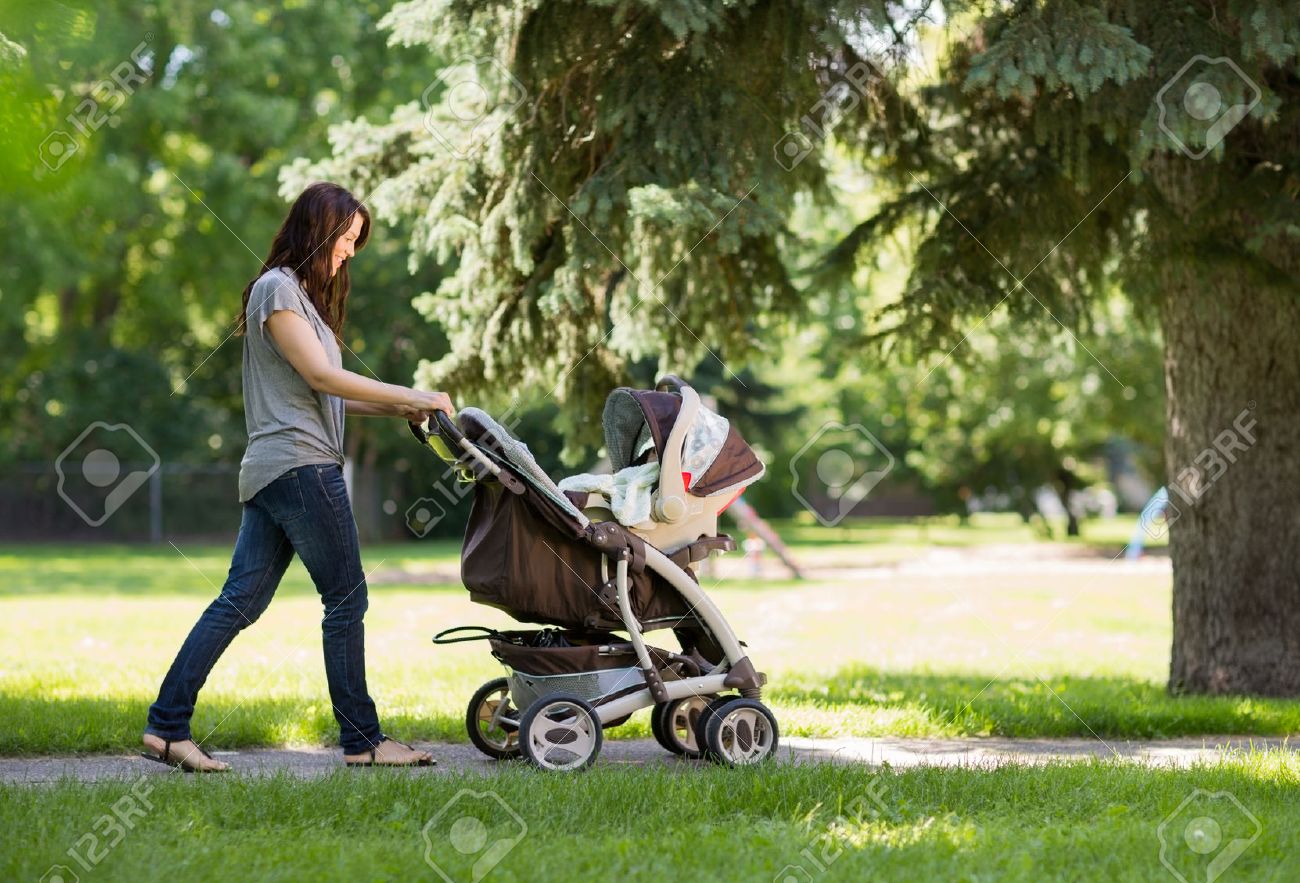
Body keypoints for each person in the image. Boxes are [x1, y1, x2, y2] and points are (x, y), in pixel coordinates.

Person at [142, 182, 452, 771]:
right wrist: (413, 392)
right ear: (317, 228)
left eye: (356, 243)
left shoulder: (304, 303)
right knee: (346, 597)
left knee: (239, 602)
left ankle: (166, 728)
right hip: (301, 467)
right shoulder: (277, 289)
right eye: (345, 239)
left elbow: (329, 396)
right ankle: (363, 741)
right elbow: (322, 378)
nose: (349, 253)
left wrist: (402, 408)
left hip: (276, 471)